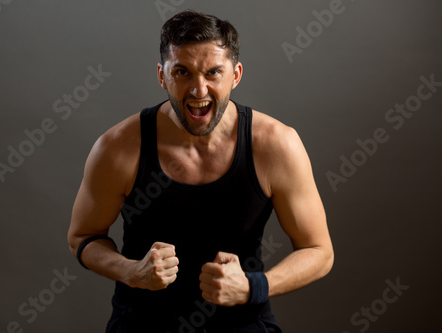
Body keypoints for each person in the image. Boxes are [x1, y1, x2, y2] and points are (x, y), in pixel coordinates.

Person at [67, 10, 333, 333]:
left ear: (235, 75)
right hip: (141, 324)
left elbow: (319, 252)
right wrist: (132, 271)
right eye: (183, 72)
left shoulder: (276, 145)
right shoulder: (118, 147)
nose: (199, 90)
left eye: (212, 73)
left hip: (242, 325)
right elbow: (82, 237)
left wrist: (253, 287)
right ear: (162, 76)